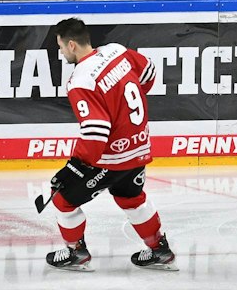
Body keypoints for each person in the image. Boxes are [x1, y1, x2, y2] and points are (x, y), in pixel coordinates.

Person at [36, 18, 175, 271]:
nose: (61, 53)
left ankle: (76, 252)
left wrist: (75, 166)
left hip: (111, 158)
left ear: (71, 45)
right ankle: (159, 249)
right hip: (139, 147)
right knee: (131, 198)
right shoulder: (117, 51)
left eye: (61, 47)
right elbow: (149, 72)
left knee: (63, 200)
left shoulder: (81, 80)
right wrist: (121, 109)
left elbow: (96, 132)